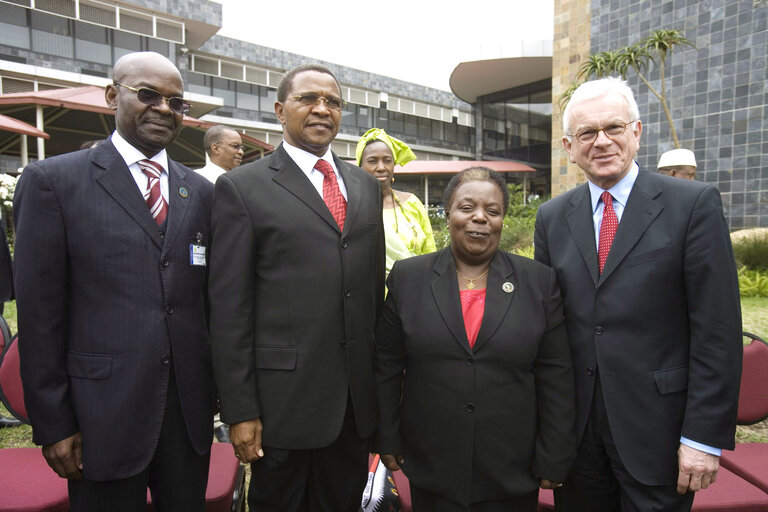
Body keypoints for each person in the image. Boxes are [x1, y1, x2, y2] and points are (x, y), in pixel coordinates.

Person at [13, 51, 215, 511]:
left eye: (177, 102)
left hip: (187, 414)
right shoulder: (53, 181)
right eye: (148, 95)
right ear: (112, 96)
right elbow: (39, 315)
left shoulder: (201, 193)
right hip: (99, 413)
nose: (164, 108)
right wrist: (54, 422)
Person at [534, 77, 742, 511]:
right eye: (588, 133)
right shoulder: (552, 218)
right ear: (570, 148)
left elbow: (717, 331)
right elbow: (547, 329)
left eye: (614, 127)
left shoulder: (693, 205)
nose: (602, 141)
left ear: (637, 132)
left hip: (659, 434)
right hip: (578, 437)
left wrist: (702, 437)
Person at [208, 63, 385, 512]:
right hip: (281, 406)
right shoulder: (242, 187)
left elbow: (370, 298)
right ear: (280, 109)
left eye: (333, 102)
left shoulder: (364, 186)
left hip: (351, 408)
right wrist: (240, 411)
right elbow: (229, 310)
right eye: (309, 99)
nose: (322, 109)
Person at [376, 166, 576, 512]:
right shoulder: (409, 279)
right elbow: (386, 367)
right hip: (432, 464)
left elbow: (556, 375)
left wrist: (554, 453)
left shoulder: (539, 282)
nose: (479, 218)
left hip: (513, 468)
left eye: (492, 211)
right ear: (448, 213)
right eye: (466, 208)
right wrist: (388, 436)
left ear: (502, 219)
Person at [356, 128, 436, 277]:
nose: (381, 167)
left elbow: (430, 255)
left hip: (414, 291)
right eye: (372, 161)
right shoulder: (352, 208)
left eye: (387, 160)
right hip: (372, 296)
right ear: (360, 166)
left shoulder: (412, 203)